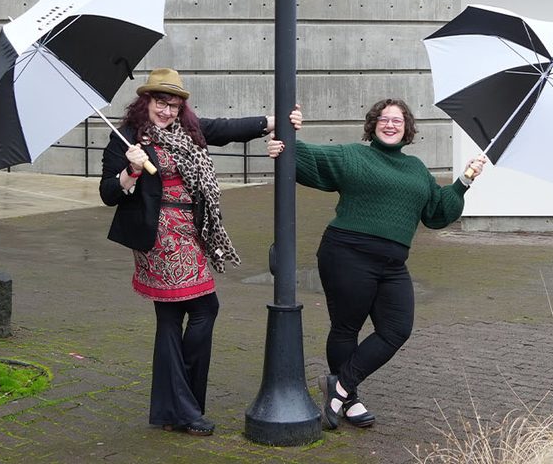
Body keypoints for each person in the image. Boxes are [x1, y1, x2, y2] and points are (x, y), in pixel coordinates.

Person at [98, 67, 296, 436]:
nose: (167, 111)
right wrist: (132, 170)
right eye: (161, 103)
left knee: (172, 319)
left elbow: (225, 129)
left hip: (191, 232)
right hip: (159, 237)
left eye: (173, 105)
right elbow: (108, 193)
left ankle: (178, 409)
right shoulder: (127, 138)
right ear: (146, 102)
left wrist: (277, 119)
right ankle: (184, 407)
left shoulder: (186, 132)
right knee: (205, 307)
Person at [267, 98, 487, 430]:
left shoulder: (416, 169)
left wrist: (465, 179)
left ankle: (338, 387)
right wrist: (283, 141)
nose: (390, 124)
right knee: (346, 328)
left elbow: (438, 212)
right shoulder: (354, 156)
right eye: (384, 119)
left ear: (407, 128)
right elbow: (305, 157)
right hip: (346, 253)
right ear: (373, 124)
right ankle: (349, 399)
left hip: (392, 264)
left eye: (397, 121)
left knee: (397, 328)